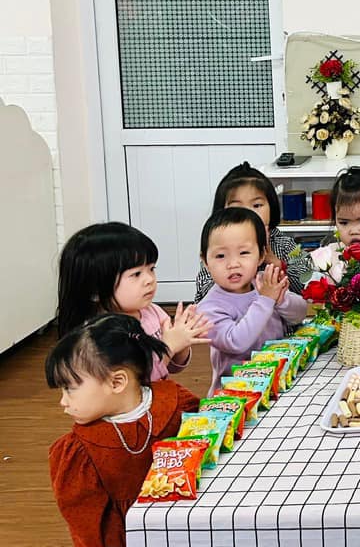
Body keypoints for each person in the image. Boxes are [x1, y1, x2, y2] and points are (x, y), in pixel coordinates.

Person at [47, 313, 199, 547]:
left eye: (70, 389)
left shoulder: (177, 403)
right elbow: (90, 532)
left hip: (188, 533)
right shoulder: (79, 453)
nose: (63, 402)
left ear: (117, 382)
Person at [55, 222, 210, 382]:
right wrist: (169, 347)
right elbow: (135, 381)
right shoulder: (100, 335)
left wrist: (183, 342)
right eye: (136, 274)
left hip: (154, 392)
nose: (149, 279)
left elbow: (172, 366)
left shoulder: (153, 312)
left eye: (151, 269)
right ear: (95, 289)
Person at [199, 206, 308, 391]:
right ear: (205, 262)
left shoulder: (265, 284)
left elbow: (300, 314)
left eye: (244, 253)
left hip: (279, 380)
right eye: (220, 256)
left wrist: (281, 300)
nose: (233, 264)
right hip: (236, 395)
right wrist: (266, 300)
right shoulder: (208, 308)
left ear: (261, 256)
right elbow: (235, 342)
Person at [194, 162, 313, 302]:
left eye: (257, 205)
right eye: (237, 207)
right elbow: (203, 292)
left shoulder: (283, 243)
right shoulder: (217, 243)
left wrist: (275, 263)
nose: (249, 213)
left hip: (275, 313)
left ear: (271, 207)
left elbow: (307, 286)